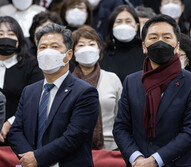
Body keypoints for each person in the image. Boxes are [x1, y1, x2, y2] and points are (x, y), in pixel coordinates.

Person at [113, 14, 191, 167]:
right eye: (154, 37)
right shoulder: (132, 81)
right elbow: (120, 127)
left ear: (177, 46)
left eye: (166, 37)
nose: (160, 42)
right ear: (144, 46)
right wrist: (136, 158)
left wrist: (155, 160)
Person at [8, 23, 100, 167]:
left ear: (69, 54)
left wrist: (38, 158)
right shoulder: (29, 91)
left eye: (55, 47)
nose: (47, 52)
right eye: (42, 47)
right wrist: (29, 158)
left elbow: (74, 136)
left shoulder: (85, 92)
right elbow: (15, 130)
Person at [72, 25, 122, 150]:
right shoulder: (67, 83)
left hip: (110, 148)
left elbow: (121, 117)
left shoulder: (112, 79)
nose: (86, 49)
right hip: (73, 148)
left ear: (99, 49)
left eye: (91, 44)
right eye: (81, 45)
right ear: (72, 52)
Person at [0, 16, 43, 144]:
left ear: (19, 39)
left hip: (20, 133)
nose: (5, 37)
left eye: (11, 34)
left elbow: (35, 101)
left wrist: (8, 124)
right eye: (0, 34)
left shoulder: (32, 65)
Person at [100, 5, 146, 83]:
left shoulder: (146, 52)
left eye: (128, 21)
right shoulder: (102, 54)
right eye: (119, 21)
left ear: (137, 26)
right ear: (112, 26)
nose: (123, 25)